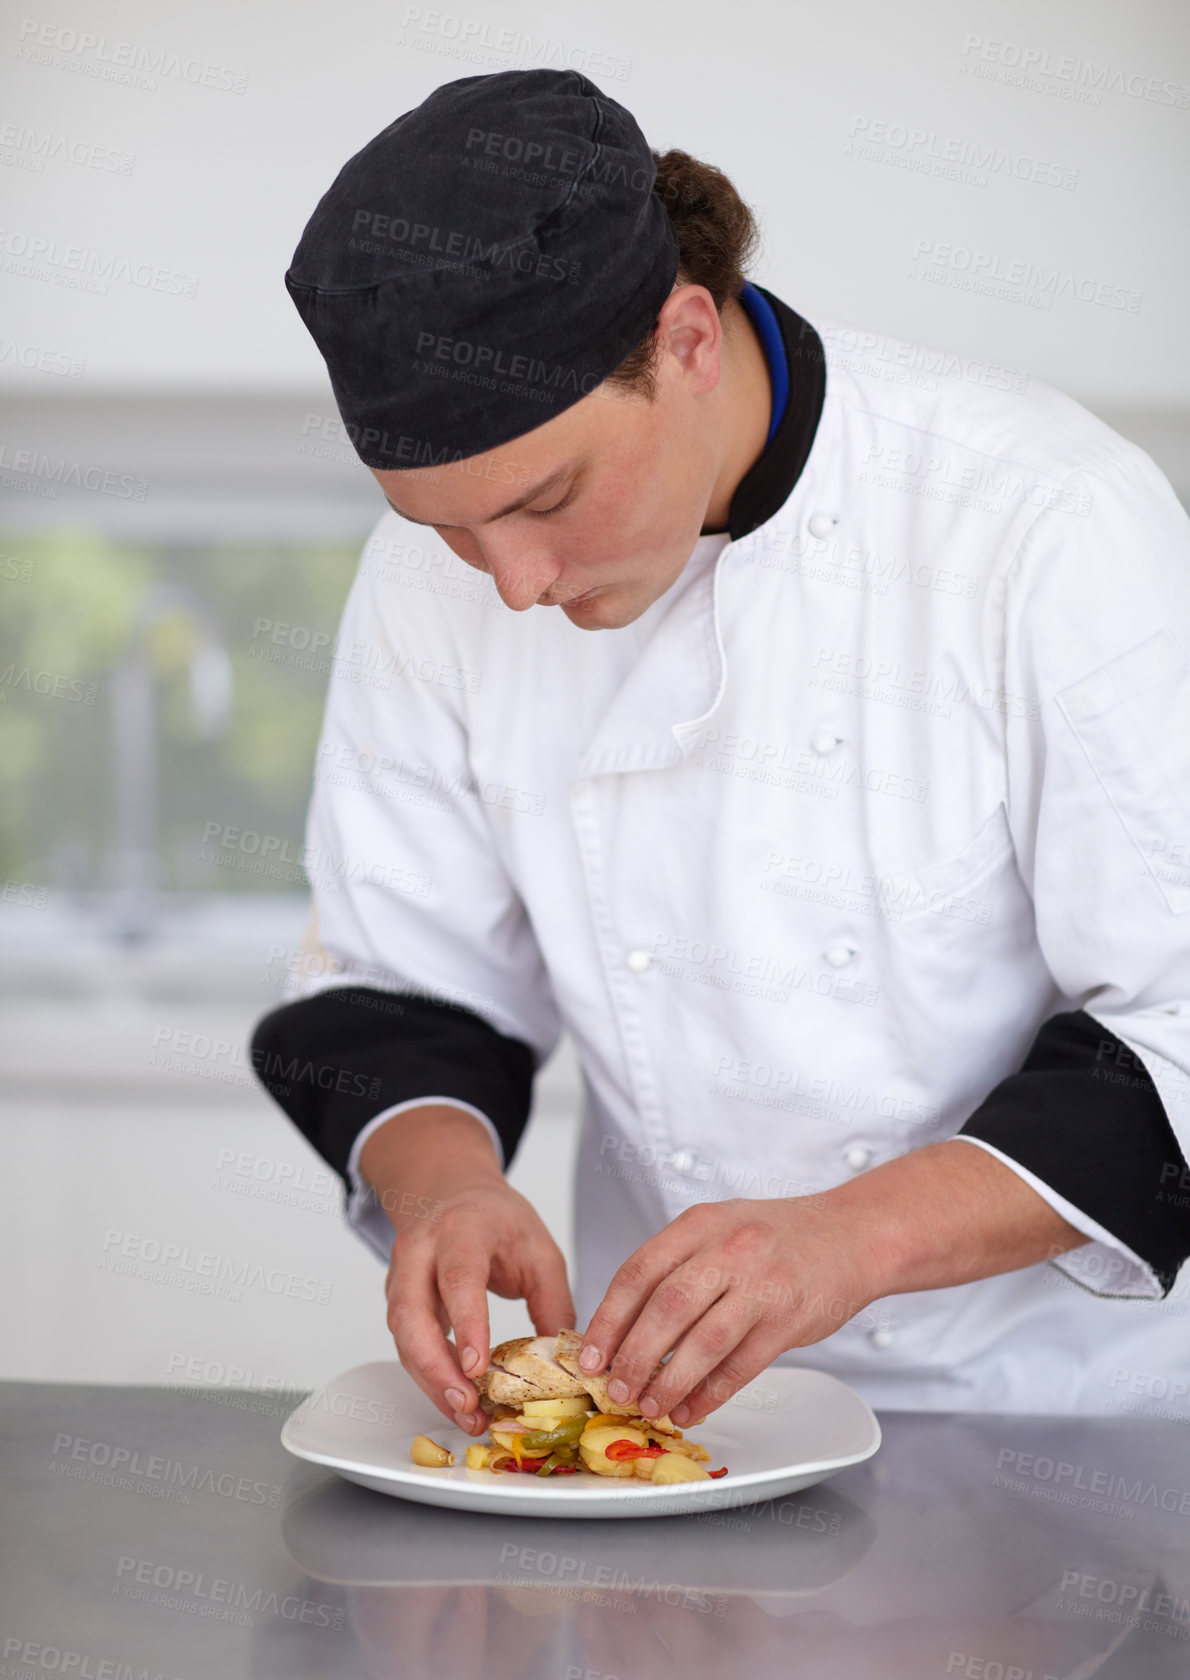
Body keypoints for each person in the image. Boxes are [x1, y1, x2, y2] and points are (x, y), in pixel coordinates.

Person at [253, 67, 1190, 1434]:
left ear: (686, 337)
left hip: (1059, 1428)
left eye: (545, 500)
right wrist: (443, 1184)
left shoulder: (1043, 520)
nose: (507, 584)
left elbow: (1174, 1030)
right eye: (450, 530)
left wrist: (848, 1238)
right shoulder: (429, 586)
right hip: (678, 1428)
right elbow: (396, 984)